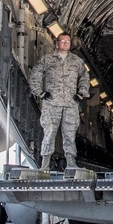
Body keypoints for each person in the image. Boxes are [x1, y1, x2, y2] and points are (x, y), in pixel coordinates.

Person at [30, 33, 89, 169]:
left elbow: (85, 76)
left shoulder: (77, 61)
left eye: (67, 41)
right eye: (62, 41)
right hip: (52, 103)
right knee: (49, 132)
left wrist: (81, 93)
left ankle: (71, 163)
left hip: (70, 104)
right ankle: (45, 164)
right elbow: (36, 74)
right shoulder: (48, 59)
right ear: (57, 43)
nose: (65, 43)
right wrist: (40, 92)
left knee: (70, 134)